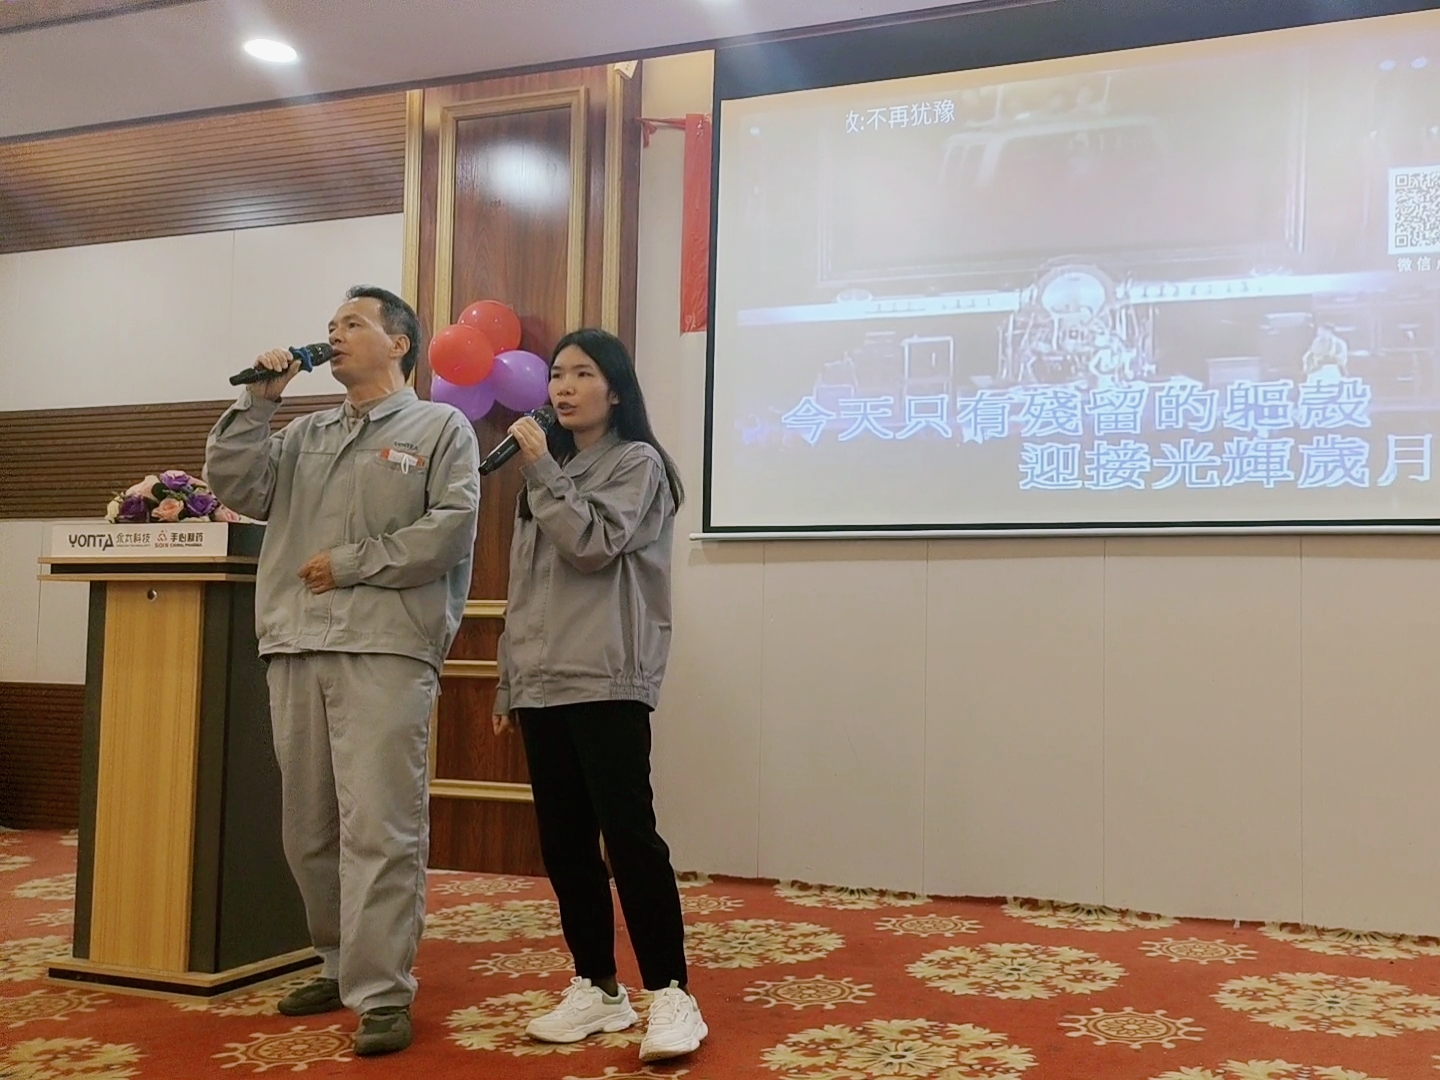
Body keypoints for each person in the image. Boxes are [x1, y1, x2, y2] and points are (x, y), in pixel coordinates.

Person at [204, 286, 480, 1057]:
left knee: (380, 827)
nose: (335, 335)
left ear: (400, 343)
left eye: (353, 324)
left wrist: (353, 564)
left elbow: (450, 529)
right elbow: (239, 487)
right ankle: (335, 961)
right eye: (330, 326)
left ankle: (382, 990)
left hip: (386, 646)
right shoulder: (305, 433)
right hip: (296, 643)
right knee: (308, 828)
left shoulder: (439, 427)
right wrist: (259, 404)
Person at [491, 328, 706, 1064]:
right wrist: (510, 680)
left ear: (615, 390)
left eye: (582, 374)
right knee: (565, 845)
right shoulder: (545, 472)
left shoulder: (637, 463)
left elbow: (590, 545)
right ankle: (598, 986)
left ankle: (671, 992)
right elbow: (525, 588)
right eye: (556, 375)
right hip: (542, 683)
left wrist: (543, 470)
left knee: (629, 838)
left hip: (607, 677)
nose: (564, 387)